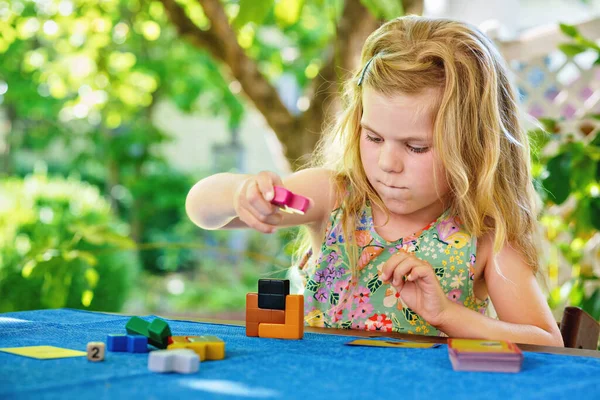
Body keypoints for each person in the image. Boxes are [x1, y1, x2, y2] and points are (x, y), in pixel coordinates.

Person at [185, 16, 564, 347]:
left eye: (416, 147)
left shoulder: (485, 235)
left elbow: (547, 343)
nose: (387, 163)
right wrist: (239, 193)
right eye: (374, 137)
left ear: (475, 147)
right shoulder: (334, 196)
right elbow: (201, 209)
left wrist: (447, 314)